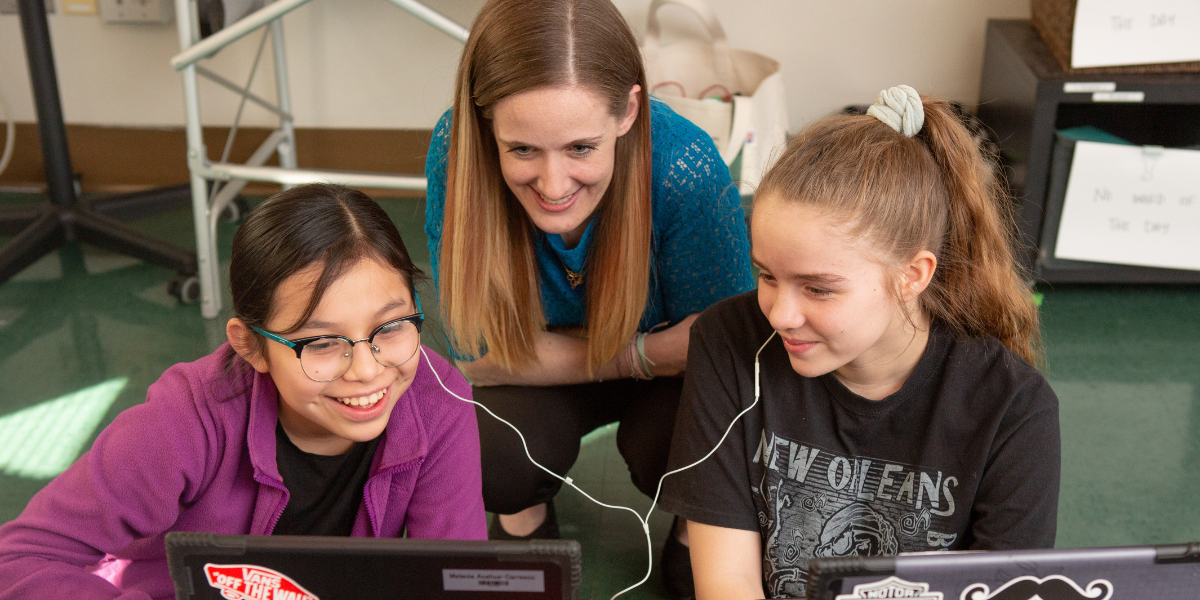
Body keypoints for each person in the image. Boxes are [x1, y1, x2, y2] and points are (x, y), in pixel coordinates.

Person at [659, 86, 1061, 599]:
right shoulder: (728, 341)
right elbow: (729, 583)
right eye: (766, 275)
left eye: (818, 288)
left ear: (912, 275)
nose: (781, 315)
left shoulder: (1014, 409)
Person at [0, 184, 486, 599]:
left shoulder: (438, 401)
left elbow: (456, 581)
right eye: (320, 342)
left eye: (392, 326)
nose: (366, 369)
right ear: (250, 346)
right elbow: (20, 556)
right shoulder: (184, 420)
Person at [423, 0, 753, 593]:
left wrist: (634, 357)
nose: (553, 186)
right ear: (485, 121)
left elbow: (724, 352)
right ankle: (520, 516)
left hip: (648, 380)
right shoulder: (458, 150)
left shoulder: (684, 166)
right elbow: (475, 354)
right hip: (622, 360)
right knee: (489, 453)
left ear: (628, 111)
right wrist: (642, 354)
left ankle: (691, 531)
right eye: (522, 149)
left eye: (580, 148)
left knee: (692, 446)